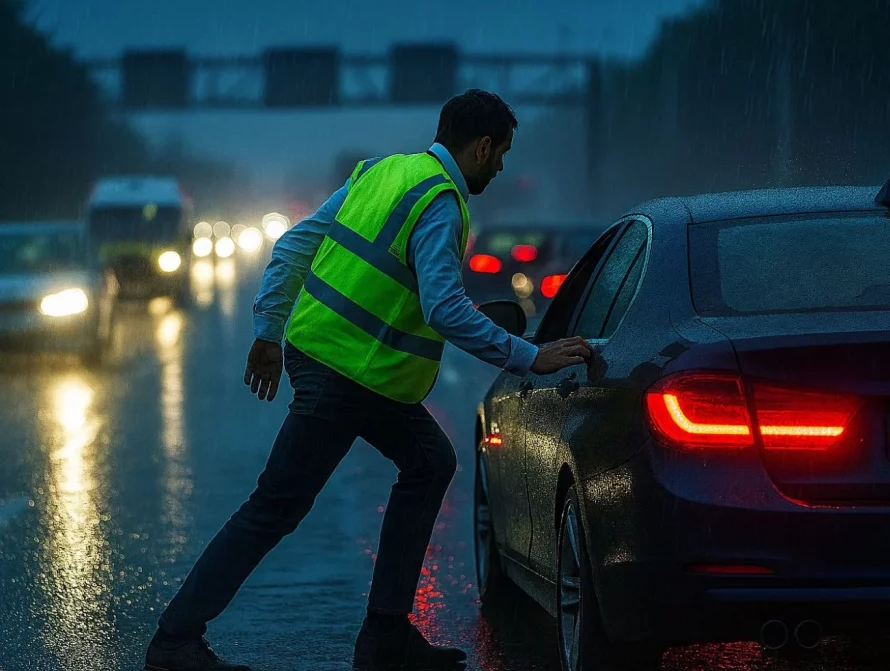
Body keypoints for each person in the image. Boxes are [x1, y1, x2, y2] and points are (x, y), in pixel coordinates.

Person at [144, 89, 593, 671]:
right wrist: (530, 356)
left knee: (430, 461)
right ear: (481, 147)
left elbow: (294, 245)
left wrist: (267, 330)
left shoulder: (381, 172)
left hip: (330, 363)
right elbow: (444, 308)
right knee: (276, 505)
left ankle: (384, 637)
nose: (502, 165)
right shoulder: (442, 202)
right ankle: (175, 640)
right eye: (502, 153)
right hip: (346, 377)